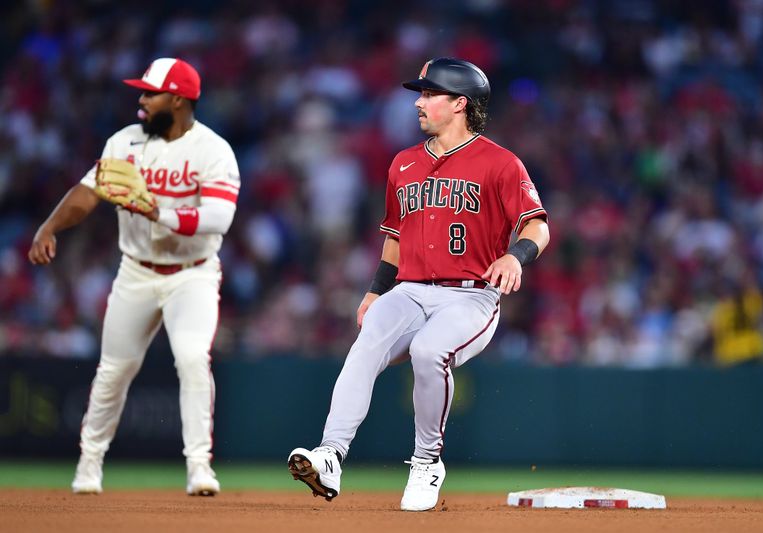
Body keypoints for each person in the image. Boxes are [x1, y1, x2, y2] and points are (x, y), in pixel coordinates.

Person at [288, 57, 550, 511]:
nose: (419, 103)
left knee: (430, 352)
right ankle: (330, 455)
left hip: (469, 296)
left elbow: (538, 227)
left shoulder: (500, 162)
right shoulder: (402, 163)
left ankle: (427, 462)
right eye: (421, 93)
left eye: (430, 94)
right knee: (366, 342)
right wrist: (374, 290)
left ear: (460, 104)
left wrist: (515, 255)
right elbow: (394, 241)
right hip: (408, 290)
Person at [28, 58, 240, 496]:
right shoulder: (124, 142)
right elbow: (88, 193)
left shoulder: (213, 150)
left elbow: (219, 217)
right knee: (114, 370)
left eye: (150, 92)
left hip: (193, 275)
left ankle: (199, 466)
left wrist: (156, 211)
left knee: (192, 358)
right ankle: (89, 464)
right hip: (136, 272)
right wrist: (49, 226)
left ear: (178, 99)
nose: (141, 100)